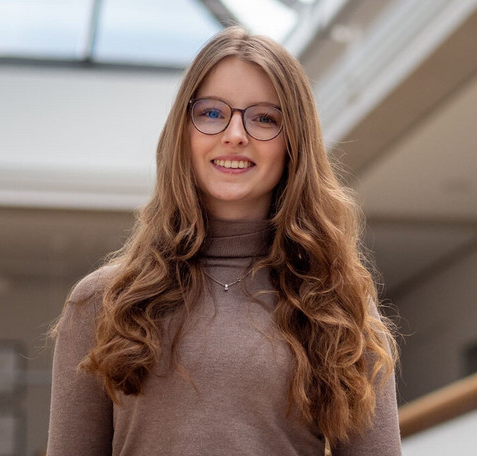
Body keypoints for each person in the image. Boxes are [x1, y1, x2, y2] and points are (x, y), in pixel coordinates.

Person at [47, 26, 401, 455]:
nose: (235, 134)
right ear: (184, 131)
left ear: (295, 144)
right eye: (213, 113)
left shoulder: (337, 306)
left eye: (264, 118)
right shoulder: (102, 302)